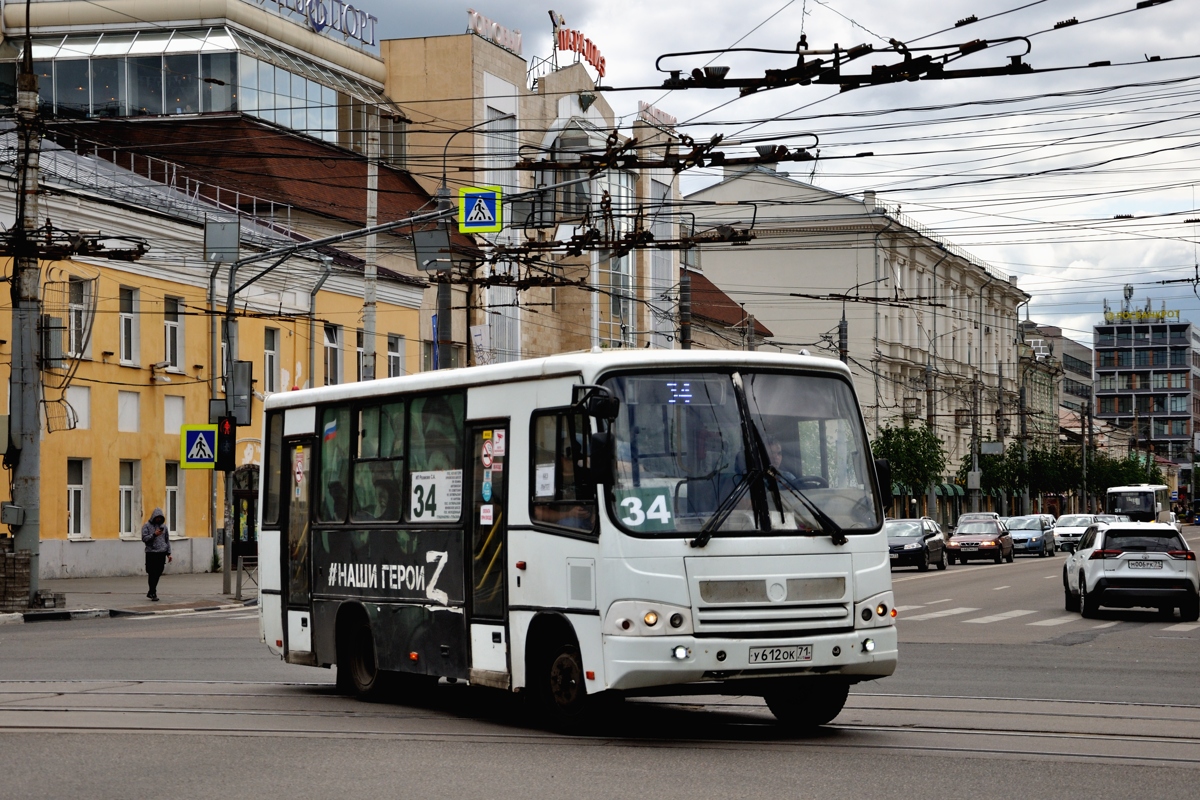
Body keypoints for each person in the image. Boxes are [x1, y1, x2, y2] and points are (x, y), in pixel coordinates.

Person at [141, 507, 172, 601]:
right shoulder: (146, 526)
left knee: (158, 572)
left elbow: (167, 540)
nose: (158, 519)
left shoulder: (164, 527)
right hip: (151, 552)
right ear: (153, 517)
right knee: (151, 573)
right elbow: (144, 538)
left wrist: (169, 553)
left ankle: (152, 591)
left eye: (160, 518)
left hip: (161, 552)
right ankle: (153, 591)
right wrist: (154, 534)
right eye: (157, 517)